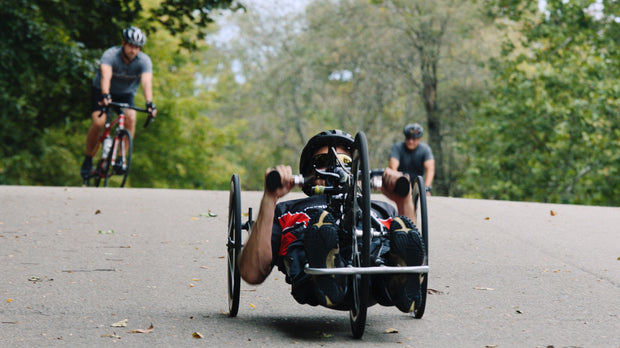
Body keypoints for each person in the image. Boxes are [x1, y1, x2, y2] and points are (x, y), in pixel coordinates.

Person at [238, 129, 426, 313]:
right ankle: (328, 271)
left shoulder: (383, 209)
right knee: (315, 233)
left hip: (373, 272)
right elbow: (252, 272)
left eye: (345, 162)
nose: (334, 167)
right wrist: (269, 199)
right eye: (322, 161)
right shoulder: (287, 210)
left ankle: (398, 282)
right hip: (310, 271)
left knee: (388, 246)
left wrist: (404, 201)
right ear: (307, 175)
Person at [81, 26, 157, 178]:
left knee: (131, 117)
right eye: (130, 46)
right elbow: (106, 76)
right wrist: (105, 95)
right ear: (123, 43)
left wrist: (150, 103)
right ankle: (88, 159)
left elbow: (146, 82)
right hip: (102, 90)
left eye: (137, 47)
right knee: (98, 123)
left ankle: (121, 157)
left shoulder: (144, 61)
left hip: (125, 94)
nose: (133, 50)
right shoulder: (110, 55)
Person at [389, 123, 435, 196]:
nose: (411, 141)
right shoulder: (397, 147)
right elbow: (393, 166)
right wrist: (397, 183)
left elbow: (430, 169)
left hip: (418, 185)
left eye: (414, 139)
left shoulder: (425, 149)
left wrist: (425, 187)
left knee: (427, 195)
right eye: (408, 138)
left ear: (419, 139)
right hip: (401, 183)